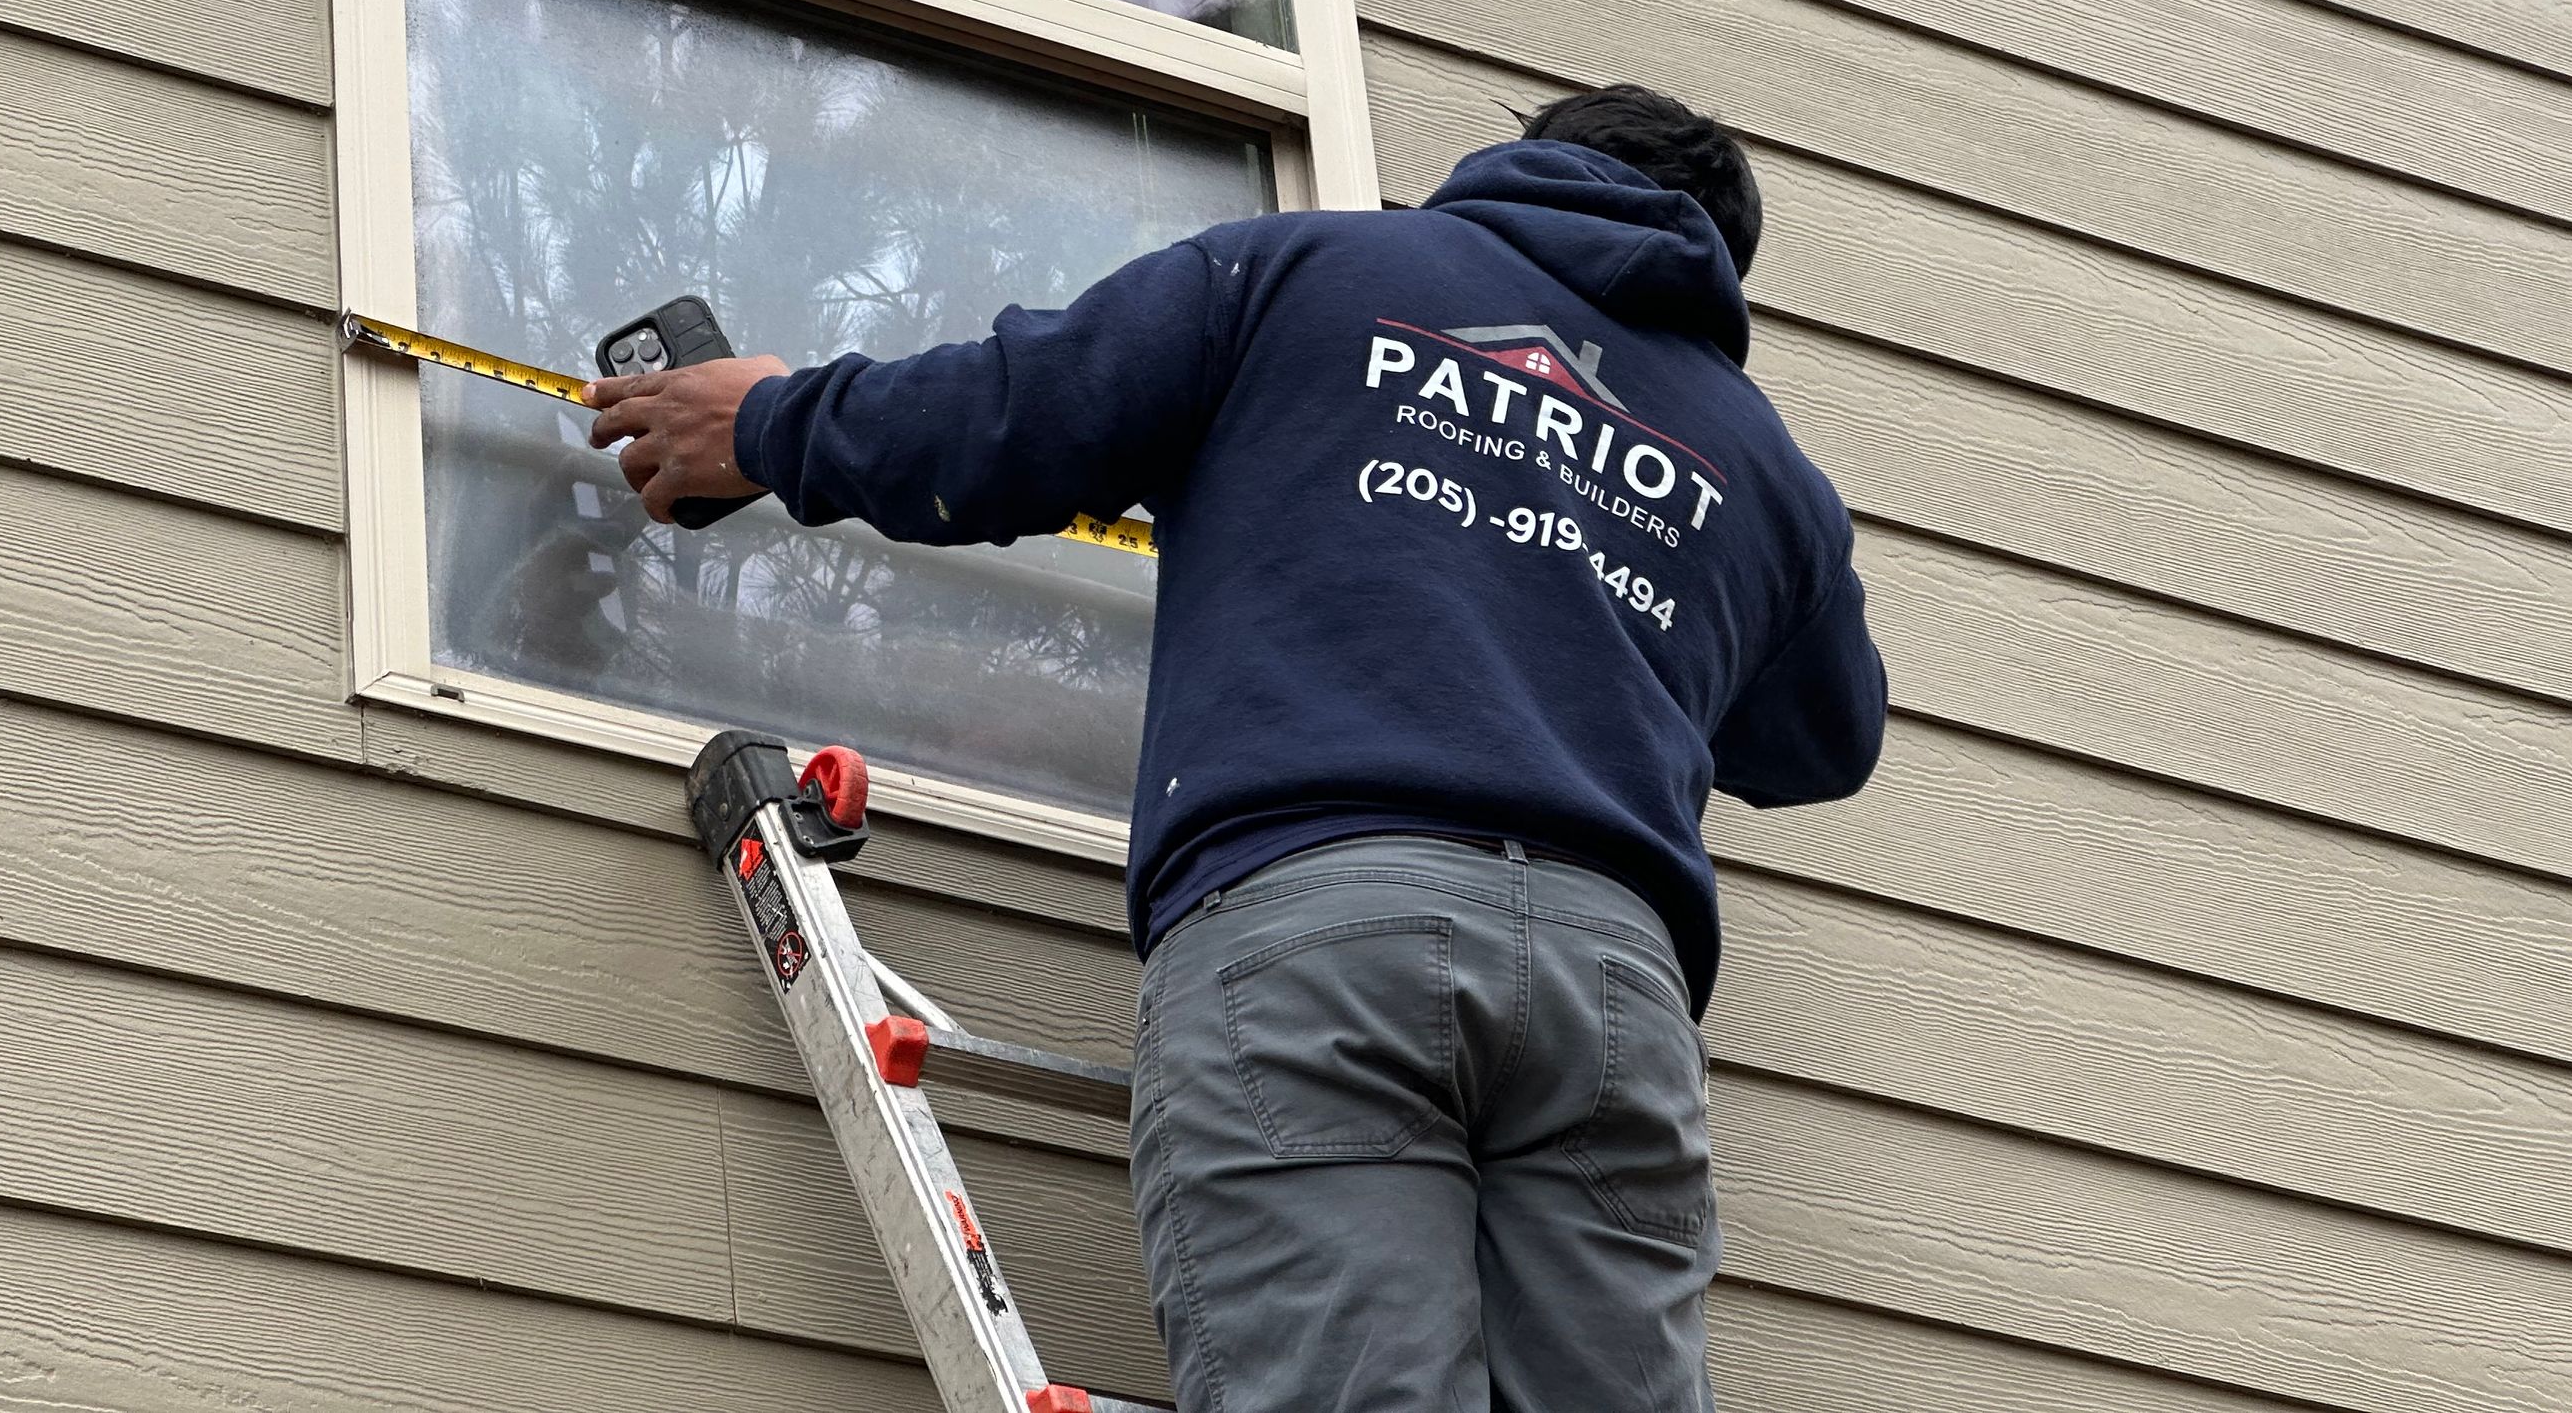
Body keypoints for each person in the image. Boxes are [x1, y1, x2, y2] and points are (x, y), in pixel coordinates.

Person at [586, 82, 1888, 1413]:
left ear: (1526, 160)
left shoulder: (1313, 274)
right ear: (1718, 258)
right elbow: (1825, 736)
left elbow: (1011, 416)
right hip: (1615, 996)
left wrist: (761, 421)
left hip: (1324, 930)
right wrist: (1628, 561)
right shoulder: (1761, 464)